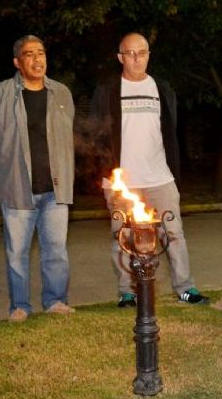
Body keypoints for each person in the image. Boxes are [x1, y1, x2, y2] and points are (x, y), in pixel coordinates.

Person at [89, 32, 209, 307]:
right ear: (120, 57)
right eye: (130, 53)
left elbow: (169, 131)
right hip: (122, 183)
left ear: (148, 56)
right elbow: (96, 132)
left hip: (159, 178)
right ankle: (127, 291)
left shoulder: (162, 88)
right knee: (123, 237)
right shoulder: (108, 89)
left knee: (173, 233)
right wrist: (106, 172)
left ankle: (185, 288)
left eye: (141, 53)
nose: (136, 59)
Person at [0, 35, 75, 322]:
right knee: (17, 253)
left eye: (41, 53)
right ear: (17, 62)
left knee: (56, 251)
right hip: (18, 189)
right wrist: (4, 173)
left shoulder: (61, 94)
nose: (38, 59)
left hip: (55, 191)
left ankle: (56, 301)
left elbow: (67, 139)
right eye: (29, 54)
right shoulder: (0, 94)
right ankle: (20, 306)